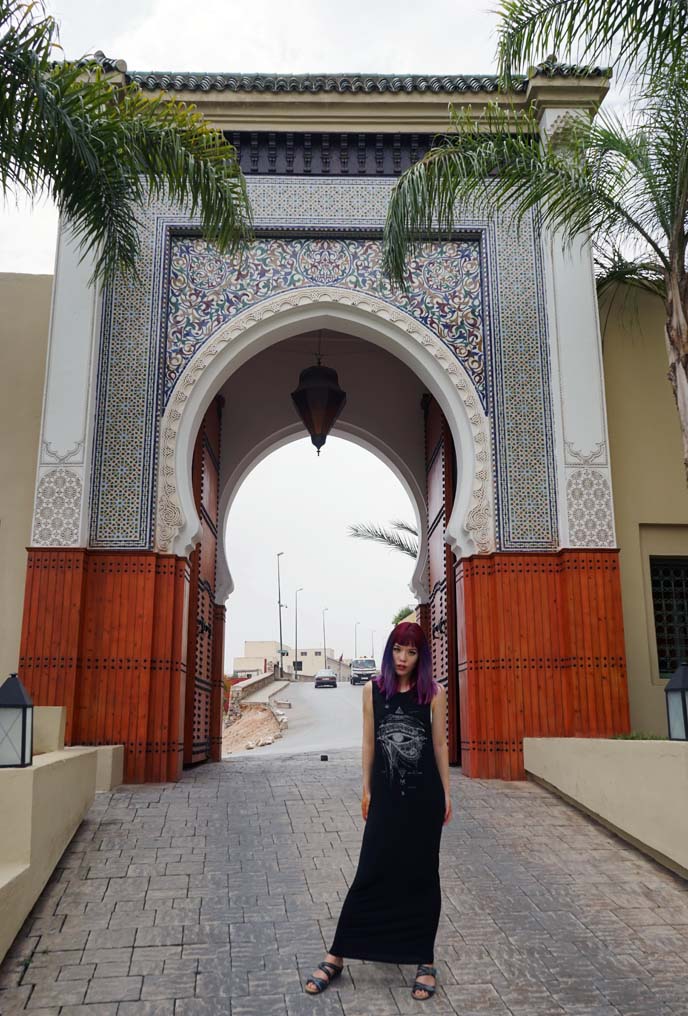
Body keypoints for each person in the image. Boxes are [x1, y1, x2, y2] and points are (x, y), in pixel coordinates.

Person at [305, 620, 452, 1001]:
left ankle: (425, 960)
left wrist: (448, 797)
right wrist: (367, 789)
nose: (403, 658)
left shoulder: (433, 693)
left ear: (420, 656)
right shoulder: (373, 691)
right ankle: (336, 955)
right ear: (389, 652)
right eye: (398, 650)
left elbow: (439, 747)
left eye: (412, 651)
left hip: (424, 800)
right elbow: (368, 743)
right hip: (386, 798)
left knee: (422, 876)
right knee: (370, 871)